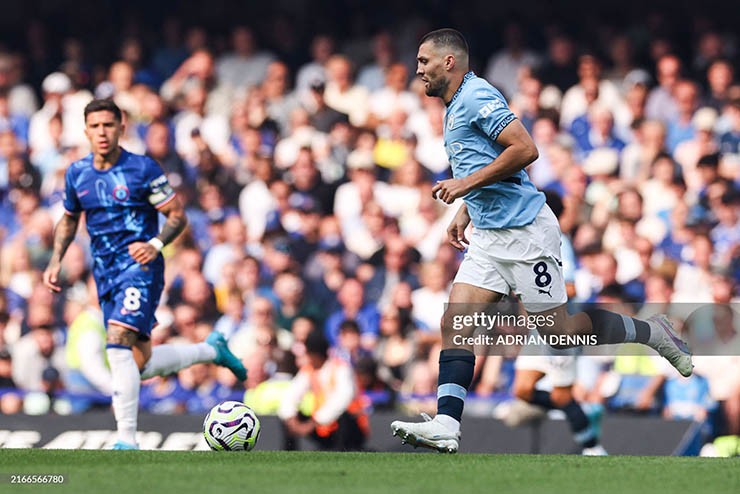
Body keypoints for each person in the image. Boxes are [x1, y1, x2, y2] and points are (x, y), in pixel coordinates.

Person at [390, 29, 692, 453]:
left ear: (449, 62)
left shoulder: (477, 97)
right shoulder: (454, 104)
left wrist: (463, 186)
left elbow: (525, 149)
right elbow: (491, 164)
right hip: (491, 234)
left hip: (526, 233)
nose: (417, 69)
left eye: (424, 61)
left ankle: (652, 332)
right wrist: (466, 209)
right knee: (455, 321)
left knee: (560, 332)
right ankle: (446, 424)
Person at [43, 99, 246, 450]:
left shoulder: (142, 169)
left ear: (122, 127)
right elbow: (70, 218)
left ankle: (126, 441)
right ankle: (211, 351)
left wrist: (154, 244)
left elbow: (177, 215)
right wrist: (55, 259)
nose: (102, 133)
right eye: (95, 126)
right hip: (105, 273)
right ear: (86, 130)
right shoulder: (77, 173)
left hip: (141, 268)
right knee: (137, 366)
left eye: (109, 125)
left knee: (118, 342)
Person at [278, 330, 368, 451]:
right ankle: (289, 453)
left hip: (350, 429)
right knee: (287, 417)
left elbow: (342, 399)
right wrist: (292, 419)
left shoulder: (341, 368)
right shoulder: (309, 370)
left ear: (315, 354)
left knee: (344, 417)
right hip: (322, 426)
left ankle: (340, 450)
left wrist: (313, 423)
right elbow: (291, 395)